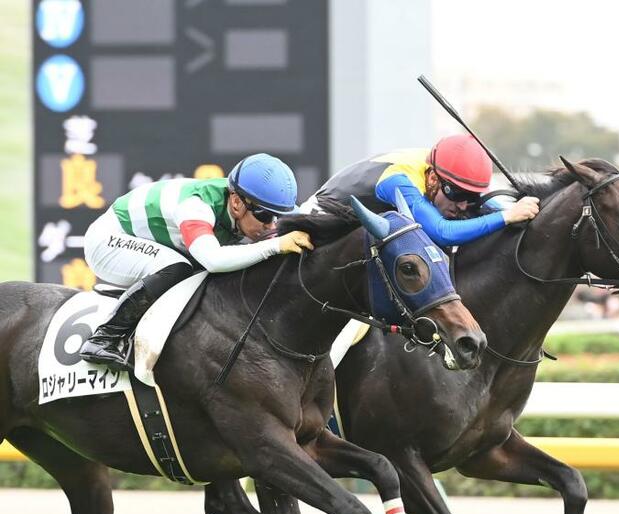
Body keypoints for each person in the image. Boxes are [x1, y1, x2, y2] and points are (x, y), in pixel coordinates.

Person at [79, 153, 313, 370]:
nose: (272, 225)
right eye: (264, 215)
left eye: (278, 217)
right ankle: (103, 338)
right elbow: (213, 260)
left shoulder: (244, 205)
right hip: (110, 240)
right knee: (177, 268)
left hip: (158, 243)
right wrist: (274, 246)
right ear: (236, 203)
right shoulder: (196, 206)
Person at [304, 134, 540, 246]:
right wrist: (507, 216)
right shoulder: (399, 181)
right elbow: (442, 231)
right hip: (316, 226)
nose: (463, 206)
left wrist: (514, 210)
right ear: (434, 178)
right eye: (457, 194)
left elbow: (485, 204)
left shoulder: (442, 170)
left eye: (471, 197)